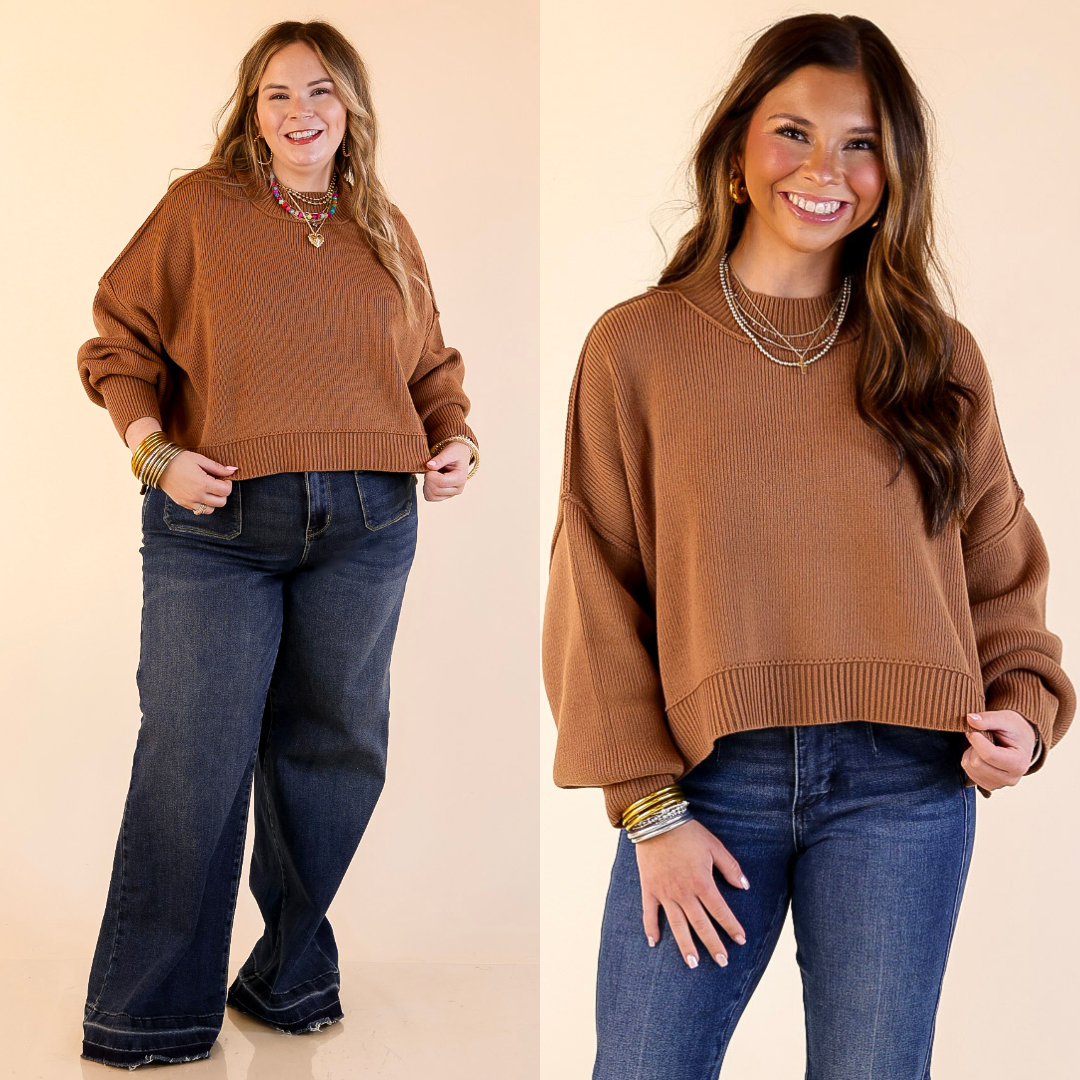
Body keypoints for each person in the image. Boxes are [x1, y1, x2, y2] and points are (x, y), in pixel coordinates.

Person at [542, 13, 1073, 1079]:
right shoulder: (636, 348)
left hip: (905, 787)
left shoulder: (937, 356)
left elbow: (1000, 573)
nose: (825, 169)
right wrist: (649, 808)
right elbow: (595, 588)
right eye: (794, 132)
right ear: (738, 146)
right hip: (707, 782)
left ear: (894, 168)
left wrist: (1024, 712)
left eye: (860, 142)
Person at [76, 19, 478, 1069]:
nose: (302, 112)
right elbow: (117, 341)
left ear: (352, 108)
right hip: (217, 524)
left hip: (370, 523)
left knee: (335, 757)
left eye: (321, 92)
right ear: (251, 114)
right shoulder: (200, 210)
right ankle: (151, 1013)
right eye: (279, 94)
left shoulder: (381, 222)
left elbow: (430, 367)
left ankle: (289, 974)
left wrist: (455, 439)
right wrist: (155, 452)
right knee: (193, 755)